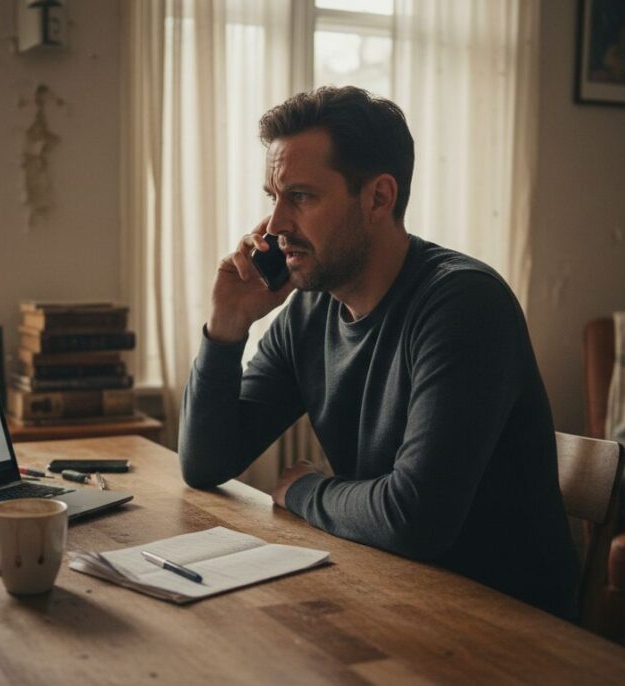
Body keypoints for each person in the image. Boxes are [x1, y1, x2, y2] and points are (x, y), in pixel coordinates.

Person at [177, 86, 580, 619]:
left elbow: (416, 518)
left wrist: (305, 490)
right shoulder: (309, 310)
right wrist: (226, 328)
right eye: (272, 197)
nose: (274, 226)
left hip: (506, 628)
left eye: (300, 196)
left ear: (378, 198)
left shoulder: (464, 305)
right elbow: (205, 464)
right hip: (390, 594)